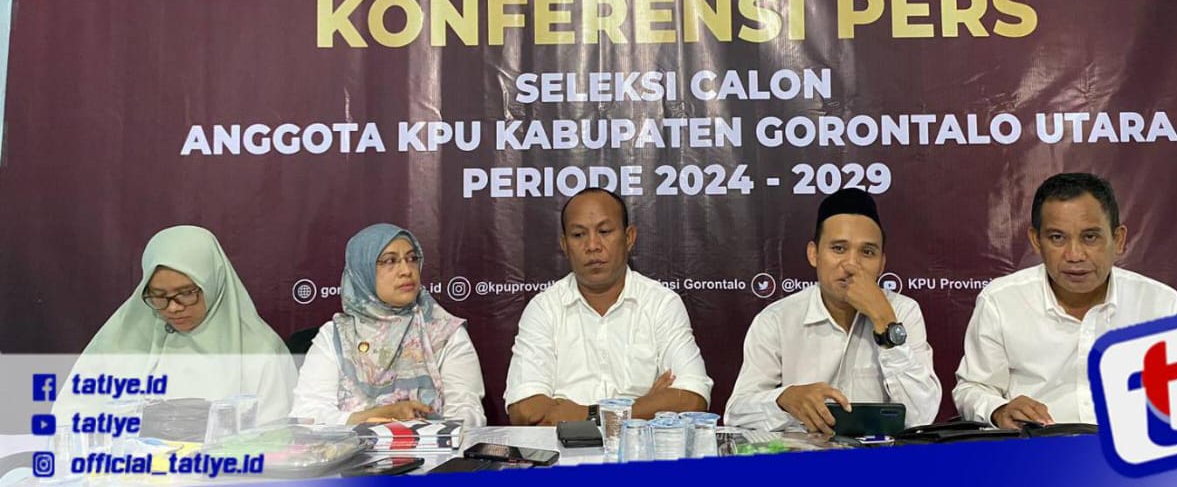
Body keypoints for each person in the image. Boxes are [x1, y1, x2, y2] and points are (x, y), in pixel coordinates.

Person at [953, 172, 1177, 427]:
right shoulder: (1001, 300)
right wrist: (998, 409)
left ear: (1119, 239)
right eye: (1057, 237)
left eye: (1090, 237)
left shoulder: (1162, 307)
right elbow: (973, 387)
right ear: (1036, 240)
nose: (1075, 255)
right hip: (1037, 461)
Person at [725, 188, 941, 432]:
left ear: (882, 264)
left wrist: (884, 321)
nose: (851, 264)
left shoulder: (903, 311)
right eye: (838, 248)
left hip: (879, 454)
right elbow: (736, 413)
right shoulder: (777, 320)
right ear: (814, 254)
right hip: (802, 454)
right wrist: (784, 400)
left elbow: (921, 417)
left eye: (867, 252)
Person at [504, 188, 713, 425]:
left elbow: (692, 399)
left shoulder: (661, 303)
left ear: (629, 237)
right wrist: (647, 405)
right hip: (561, 448)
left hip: (639, 448)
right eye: (578, 235)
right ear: (564, 245)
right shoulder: (544, 309)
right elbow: (525, 410)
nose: (593, 245)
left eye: (604, 231)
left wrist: (585, 414)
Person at [53, 226, 297, 422]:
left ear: (213, 284)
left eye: (186, 293)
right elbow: (68, 417)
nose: (172, 308)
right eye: (158, 295)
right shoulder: (119, 338)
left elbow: (276, 442)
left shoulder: (261, 352)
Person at [291, 224, 485, 426]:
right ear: (363, 271)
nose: (406, 270)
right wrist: (379, 417)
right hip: (351, 447)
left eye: (412, 259)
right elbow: (307, 416)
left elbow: (468, 415)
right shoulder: (336, 337)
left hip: (433, 446)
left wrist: (422, 431)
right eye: (390, 261)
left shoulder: (444, 333)